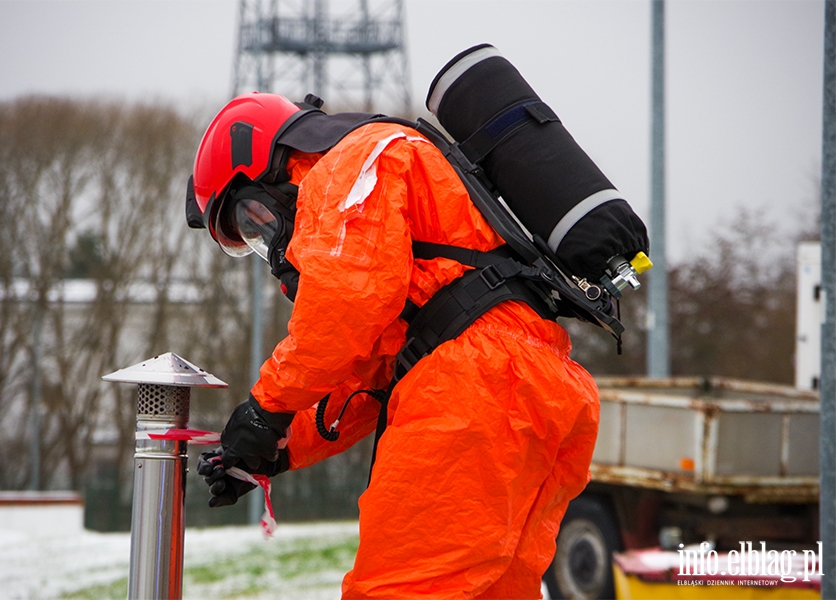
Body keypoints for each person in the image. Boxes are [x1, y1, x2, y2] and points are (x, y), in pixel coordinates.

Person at [187, 91, 601, 598]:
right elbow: (367, 375)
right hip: (535, 387)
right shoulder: (383, 175)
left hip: (475, 390)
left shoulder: (348, 163)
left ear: (275, 164)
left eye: (253, 219)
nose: (265, 241)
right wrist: (278, 446)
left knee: (397, 590)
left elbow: (344, 305)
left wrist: (264, 408)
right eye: (246, 239)